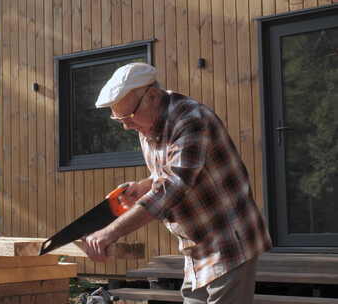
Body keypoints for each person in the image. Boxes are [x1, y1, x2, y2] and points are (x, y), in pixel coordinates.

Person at [81, 62, 272, 304]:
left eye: (128, 116)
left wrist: (109, 232)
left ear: (151, 95)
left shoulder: (191, 121)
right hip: (196, 249)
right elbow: (169, 174)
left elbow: (172, 187)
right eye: (119, 119)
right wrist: (144, 186)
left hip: (228, 241)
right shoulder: (146, 124)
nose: (126, 126)